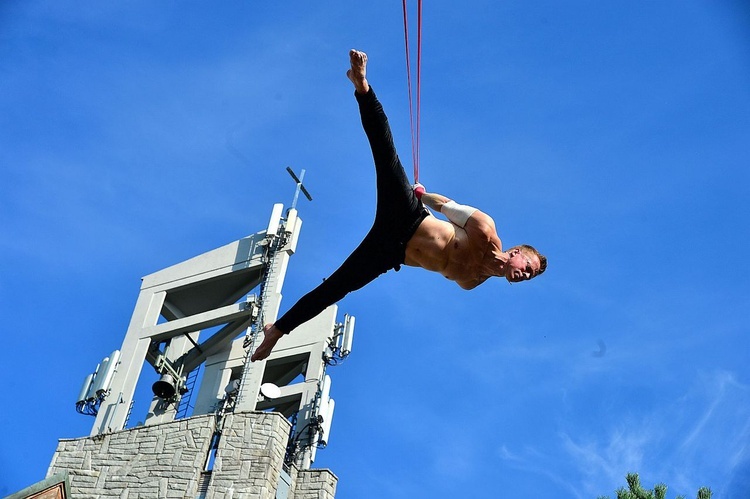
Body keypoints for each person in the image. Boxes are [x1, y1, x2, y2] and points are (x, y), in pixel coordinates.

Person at [251, 49, 546, 362]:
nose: (525, 275)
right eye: (527, 268)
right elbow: (445, 205)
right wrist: (422, 194)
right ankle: (362, 86)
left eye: (530, 277)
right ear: (515, 253)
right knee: (385, 152)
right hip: (408, 216)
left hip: (391, 252)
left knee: (337, 287)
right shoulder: (484, 232)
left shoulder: (472, 282)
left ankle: (277, 330)